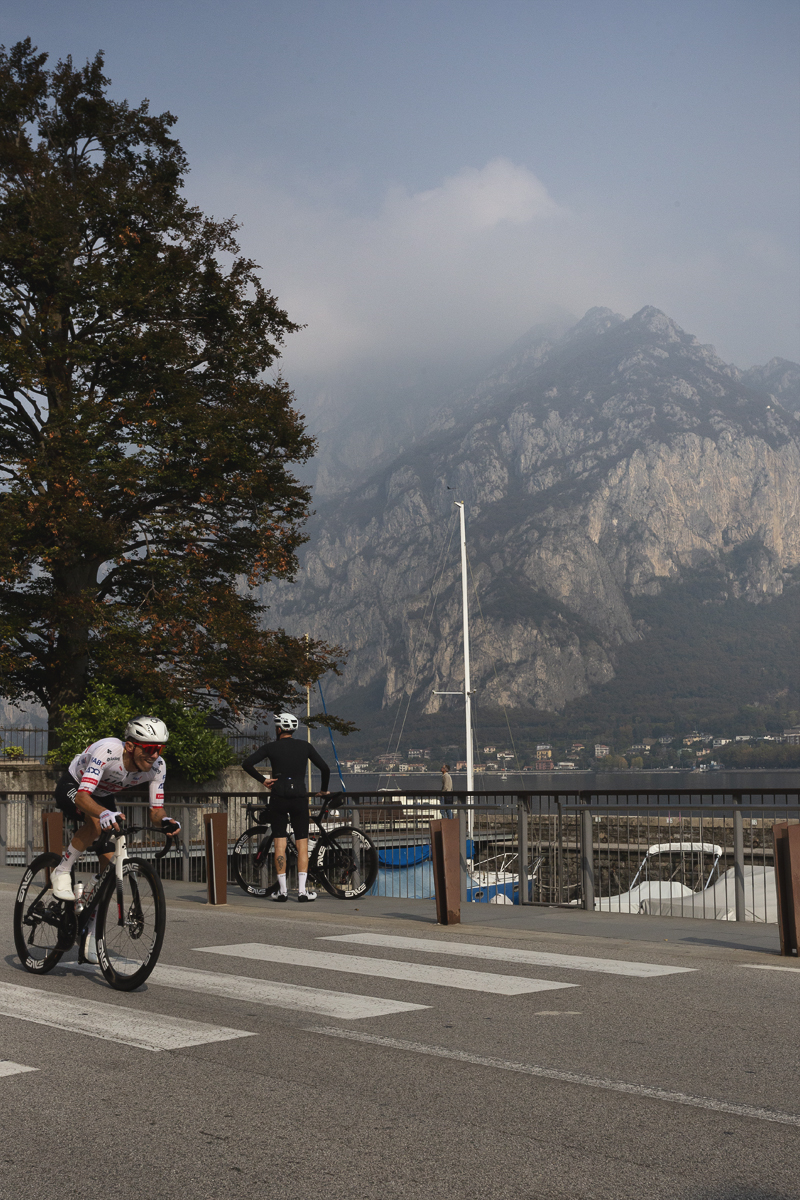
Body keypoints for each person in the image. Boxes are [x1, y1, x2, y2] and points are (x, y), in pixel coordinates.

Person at [50, 716, 181, 962]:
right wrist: (103, 813)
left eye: (159, 749)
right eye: (150, 748)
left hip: (103, 795)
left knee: (110, 865)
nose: (155, 755)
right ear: (130, 745)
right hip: (76, 786)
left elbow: (156, 811)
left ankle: (89, 928)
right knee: (96, 824)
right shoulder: (108, 751)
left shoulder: (157, 766)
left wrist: (166, 821)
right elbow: (82, 798)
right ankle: (61, 869)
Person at [242, 713, 330, 902]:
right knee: (302, 844)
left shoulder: (271, 747)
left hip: (278, 797)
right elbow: (325, 769)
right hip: (299, 797)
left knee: (280, 844)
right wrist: (323, 790)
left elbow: (247, 763)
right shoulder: (305, 747)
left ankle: (282, 891)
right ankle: (302, 892)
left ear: (279, 729)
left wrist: (264, 780)